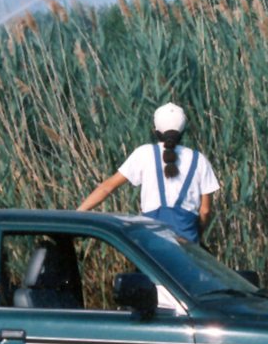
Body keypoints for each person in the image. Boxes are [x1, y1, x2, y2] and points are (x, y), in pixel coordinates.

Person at [77, 102, 220, 242]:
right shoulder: (199, 159)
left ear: (155, 131)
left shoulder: (144, 153)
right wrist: (200, 230)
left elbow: (109, 186)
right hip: (187, 240)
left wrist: (79, 212)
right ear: (182, 132)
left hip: (153, 241)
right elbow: (205, 210)